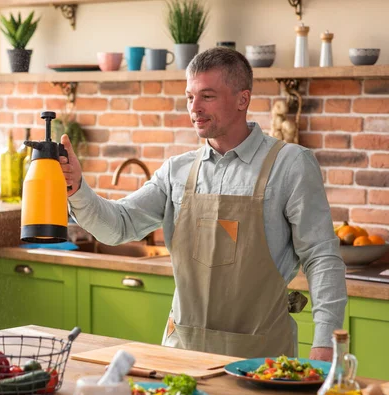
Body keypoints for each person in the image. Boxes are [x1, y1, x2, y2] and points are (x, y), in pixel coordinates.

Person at [58, 47, 346, 361]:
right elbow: (120, 225)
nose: (194, 108)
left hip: (261, 359)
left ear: (242, 99)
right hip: (183, 354)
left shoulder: (290, 164)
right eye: (189, 96)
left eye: (207, 96)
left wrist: (325, 341)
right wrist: (76, 189)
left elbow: (321, 257)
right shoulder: (177, 171)